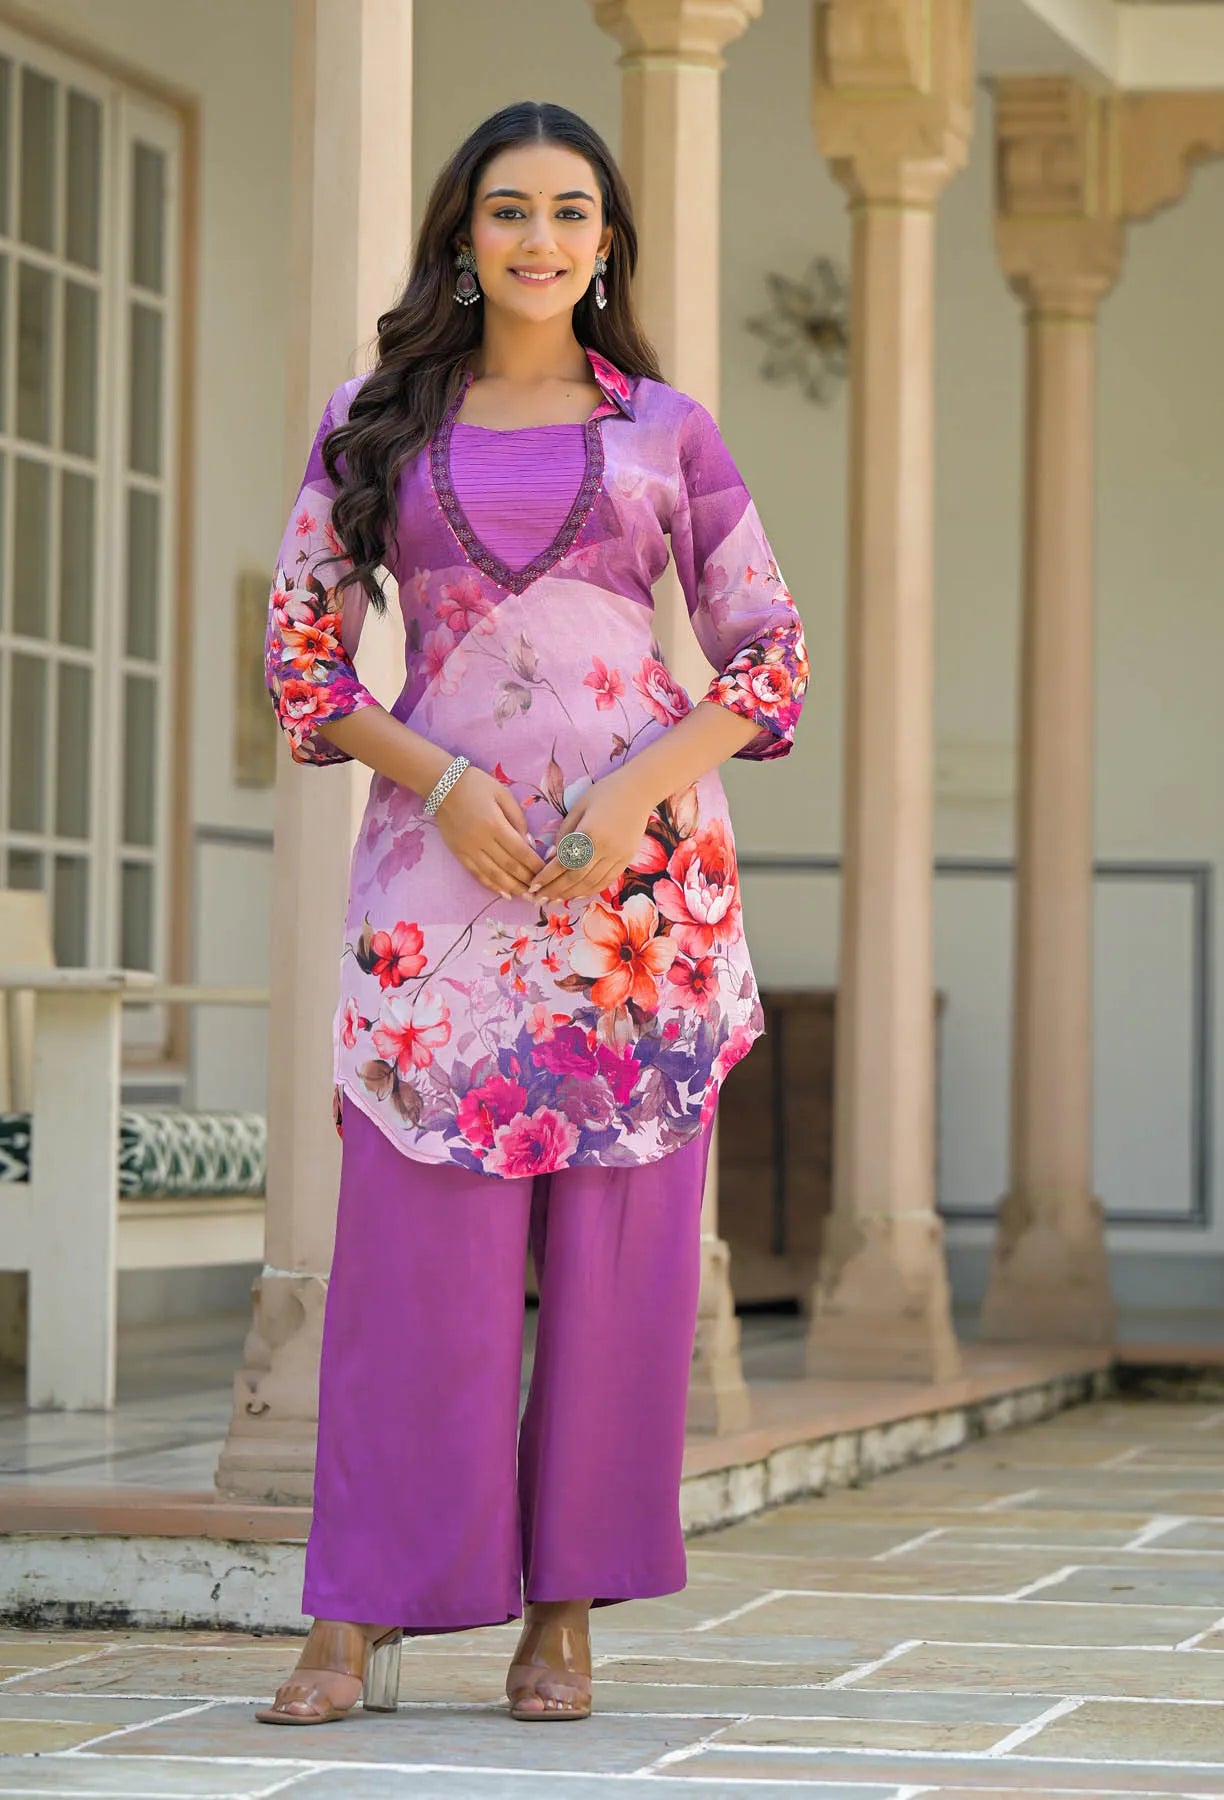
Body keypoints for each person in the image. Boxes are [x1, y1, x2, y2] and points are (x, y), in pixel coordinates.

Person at [255, 99, 807, 1728]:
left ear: (609, 239)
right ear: (460, 233)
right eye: (509, 210)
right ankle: (356, 1616)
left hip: (638, 906)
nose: (542, 238)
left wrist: (636, 791)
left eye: (573, 211)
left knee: (617, 1274)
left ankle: (562, 1615)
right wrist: (440, 783)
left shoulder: (669, 432)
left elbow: (768, 656)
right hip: (444, 902)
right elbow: (302, 657)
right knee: (413, 1267)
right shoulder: (375, 426)